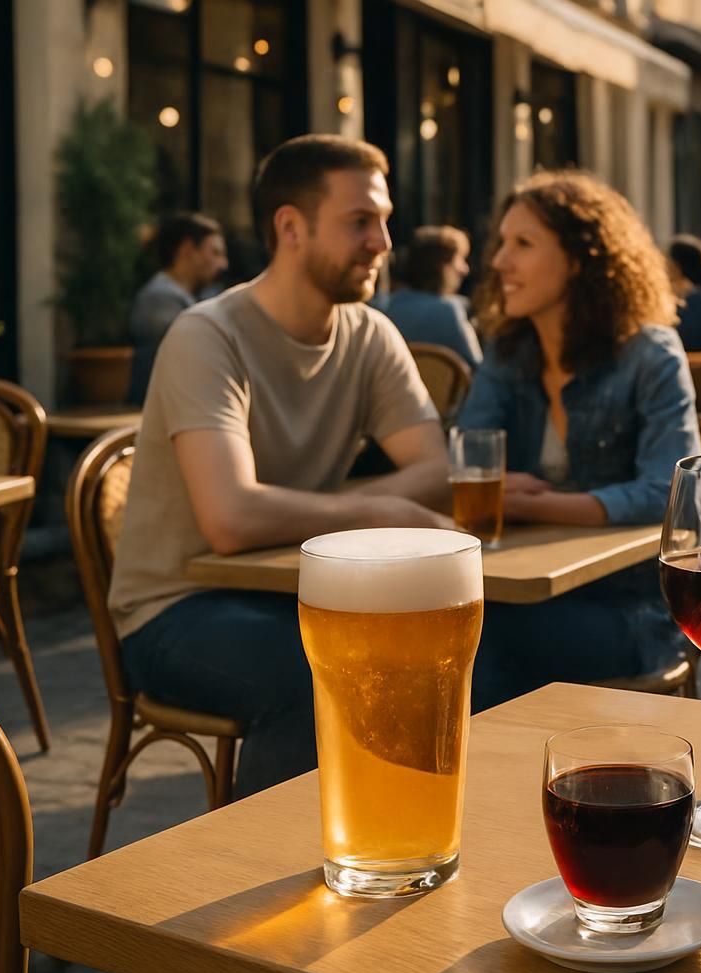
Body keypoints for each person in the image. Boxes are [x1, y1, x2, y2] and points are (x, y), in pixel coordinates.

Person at [110, 135, 456, 798]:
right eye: (360, 222)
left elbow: (435, 469)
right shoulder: (207, 334)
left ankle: (401, 845)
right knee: (317, 674)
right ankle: (264, 884)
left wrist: (312, 511)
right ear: (290, 228)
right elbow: (232, 519)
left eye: (385, 220)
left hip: (291, 591)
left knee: (446, 651)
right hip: (175, 609)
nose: (383, 242)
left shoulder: (369, 334)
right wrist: (377, 510)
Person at [458, 170, 701, 712]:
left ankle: (486, 784)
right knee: (435, 620)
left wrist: (541, 505)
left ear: (581, 258)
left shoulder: (650, 355)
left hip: (629, 609)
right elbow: (467, 457)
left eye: (523, 244)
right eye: (502, 243)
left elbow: (673, 493)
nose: (500, 262)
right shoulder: (507, 353)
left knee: (479, 636)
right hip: (516, 587)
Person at [126, 212, 229, 405]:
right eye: (215, 253)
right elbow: (196, 361)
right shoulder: (159, 299)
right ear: (188, 250)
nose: (223, 264)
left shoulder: (189, 297)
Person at [382, 224, 482, 369]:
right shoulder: (448, 311)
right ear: (442, 266)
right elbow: (476, 368)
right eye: (460, 259)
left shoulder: (389, 308)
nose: (465, 269)